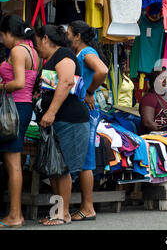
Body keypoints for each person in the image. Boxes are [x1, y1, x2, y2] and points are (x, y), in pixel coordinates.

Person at [34, 25, 90, 226]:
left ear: (45, 38)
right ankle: (57, 212)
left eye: (37, 41)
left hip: (70, 120)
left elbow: (66, 82)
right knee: (55, 168)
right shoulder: (52, 59)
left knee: (63, 167)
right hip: (59, 120)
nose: (36, 47)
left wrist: (50, 112)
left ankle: (63, 214)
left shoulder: (64, 54)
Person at [0, 15, 41, 228]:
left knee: (13, 163)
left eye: (2, 35)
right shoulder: (33, 50)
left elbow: (19, 82)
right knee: (13, 162)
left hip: (13, 108)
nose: (2, 40)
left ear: (9, 33)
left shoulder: (17, 51)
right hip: (23, 108)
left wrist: (0, 87)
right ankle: (15, 213)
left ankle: (15, 215)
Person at [66, 20, 108, 222]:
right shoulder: (82, 53)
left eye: (68, 33)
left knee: (86, 160)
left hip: (87, 109)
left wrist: (90, 91)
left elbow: (103, 70)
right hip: (85, 109)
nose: (66, 37)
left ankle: (87, 207)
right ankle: (86, 206)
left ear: (77, 36)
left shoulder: (85, 53)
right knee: (84, 159)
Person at [139, 68, 167, 135]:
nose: (165, 81)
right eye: (162, 78)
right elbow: (148, 123)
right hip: (157, 136)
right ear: (154, 80)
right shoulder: (149, 98)